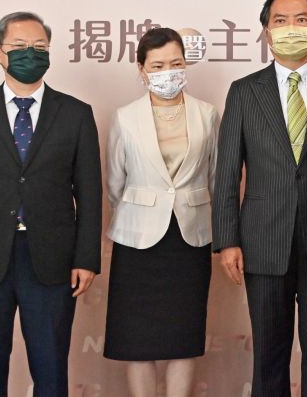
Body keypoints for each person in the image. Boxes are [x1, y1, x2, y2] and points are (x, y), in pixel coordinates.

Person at [0, 11, 102, 397]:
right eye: (19, 46)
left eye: (39, 47)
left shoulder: (76, 114)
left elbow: (90, 193)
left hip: (50, 260)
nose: (30, 54)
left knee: (50, 367)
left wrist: (86, 258)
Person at [212, 0, 307, 396]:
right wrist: (227, 240)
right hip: (263, 240)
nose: (292, 27)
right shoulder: (244, 91)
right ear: (266, 31)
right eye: (281, 20)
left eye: (301, 19)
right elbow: (226, 172)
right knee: (269, 357)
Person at [103, 27, 219, 397]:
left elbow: (216, 177)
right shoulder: (125, 117)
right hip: (137, 240)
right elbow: (114, 183)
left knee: (184, 335)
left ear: (186, 65)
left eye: (176, 63)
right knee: (136, 340)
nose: (168, 72)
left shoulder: (207, 114)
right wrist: (142, 210)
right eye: (157, 65)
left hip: (190, 236)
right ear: (141, 69)